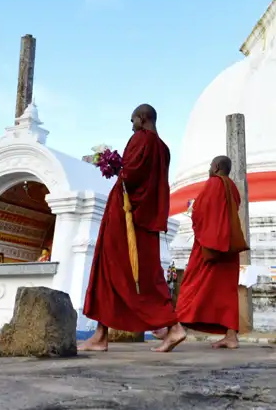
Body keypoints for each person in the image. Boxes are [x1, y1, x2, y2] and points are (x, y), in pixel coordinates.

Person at [79, 104, 187, 353]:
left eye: (133, 120)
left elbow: (131, 175)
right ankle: (101, 334)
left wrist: (107, 162)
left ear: (142, 118)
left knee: (110, 268)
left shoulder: (141, 139)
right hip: (146, 219)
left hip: (126, 216)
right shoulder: (164, 149)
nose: (131, 125)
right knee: (136, 274)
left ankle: (172, 326)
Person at [173, 155, 249, 349]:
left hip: (210, 247)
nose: (209, 169)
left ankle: (176, 326)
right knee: (227, 292)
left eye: (210, 166)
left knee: (191, 284)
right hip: (229, 247)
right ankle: (231, 335)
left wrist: (197, 221)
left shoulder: (214, 183)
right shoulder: (232, 187)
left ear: (215, 167)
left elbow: (200, 211)